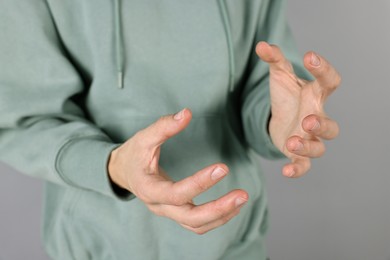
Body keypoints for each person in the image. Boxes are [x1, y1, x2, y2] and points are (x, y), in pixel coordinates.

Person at [0, 0, 340, 259]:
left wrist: (276, 120)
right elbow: (26, 116)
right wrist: (114, 166)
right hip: (98, 248)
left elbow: (261, 76)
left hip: (236, 246)